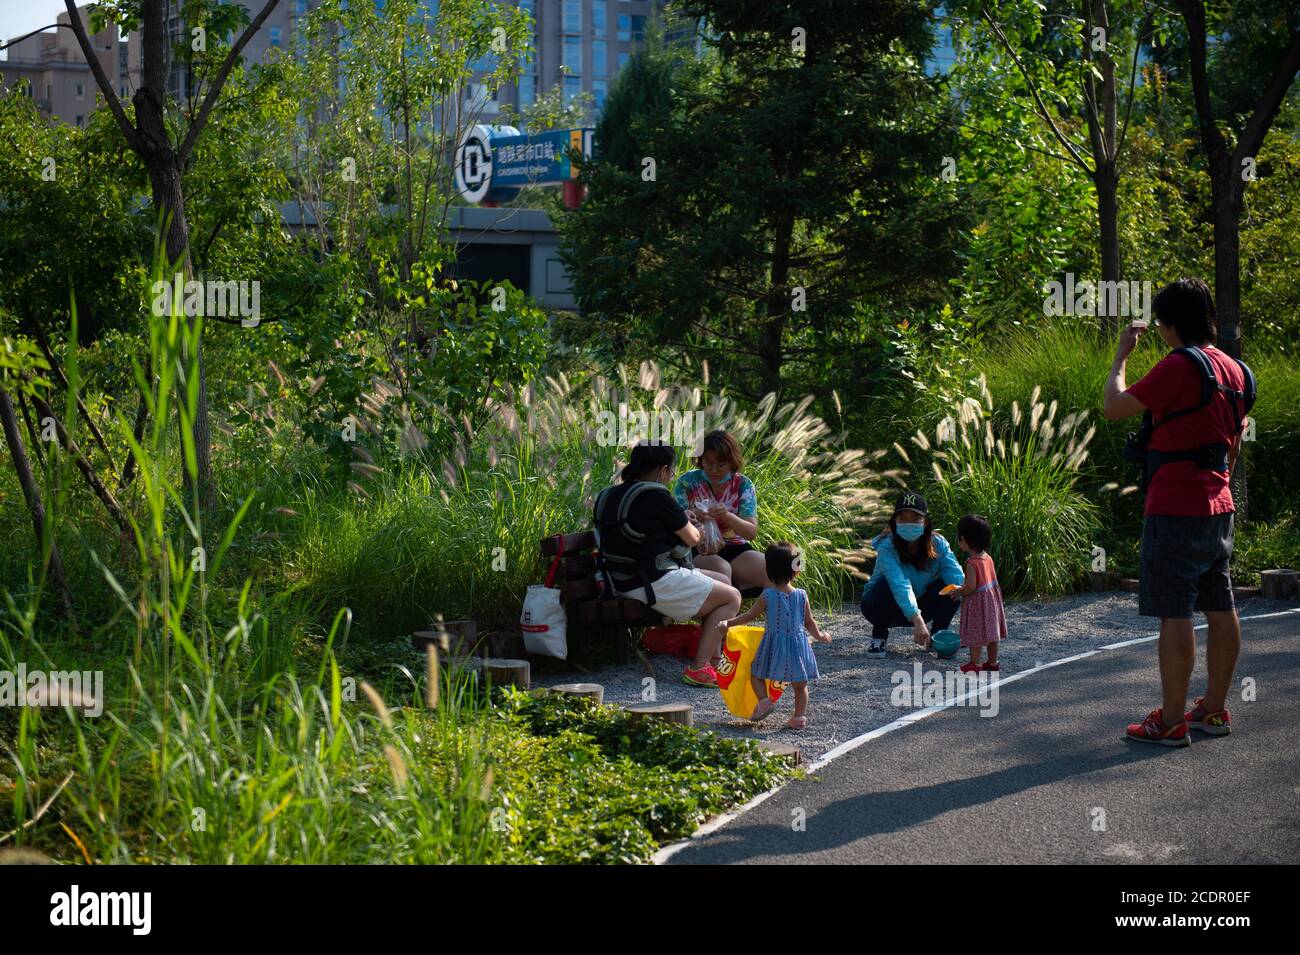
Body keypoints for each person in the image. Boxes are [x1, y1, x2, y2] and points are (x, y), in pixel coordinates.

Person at [1104, 278, 1254, 747]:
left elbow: (1114, 406)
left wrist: (1121, 356)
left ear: (1169, 324)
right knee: (1220, 602)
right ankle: (1213, 709)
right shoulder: (1237, 370)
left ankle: (1169, 721)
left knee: (1175, 611)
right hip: (1219, 504)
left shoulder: (1179, 365)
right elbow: (1232, 444)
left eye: (1163, 323)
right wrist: (1220, 484)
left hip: (1175, 505)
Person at [593, 441, 740, 687]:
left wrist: (681, 518)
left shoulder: (610, 494)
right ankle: (700, 667)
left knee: (723, 581)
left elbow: (644, 526)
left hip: (620, 579)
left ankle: (715, 661)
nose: (671, 478)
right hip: (652, 580)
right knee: (731, 597)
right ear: (662, 470)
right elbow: (693, 538)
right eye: (671, 472)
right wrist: (699, 527)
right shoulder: (657, 495)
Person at [716, 542, 830, 729]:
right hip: (798, 645)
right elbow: (809, 622)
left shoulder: (767, 596)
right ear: (797, 570)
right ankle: (799, 718)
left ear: (767, 569)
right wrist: (820, 636)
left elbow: (748, 616)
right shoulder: (802, 595)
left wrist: (728, 623)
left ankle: (765, 701)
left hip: (773, 644)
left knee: (756, 673)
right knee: (800, 685)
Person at [860, 490, 964, 657]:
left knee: (952, 587)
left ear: (925, 522)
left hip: (921, 604)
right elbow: (899, 583)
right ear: (895, 521)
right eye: (903, 518)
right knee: (885, 583)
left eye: (915, 518)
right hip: (881, 607)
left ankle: (937, 638)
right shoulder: (887, 547)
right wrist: (917, 619)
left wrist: (968, 597)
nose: (909, 523)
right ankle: (878, 638)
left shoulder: (939, 544)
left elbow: (957, 577)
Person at [673, 430, 770, 591]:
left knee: (774, 572)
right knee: (722, 571)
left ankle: (774, 615)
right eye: (708, 463)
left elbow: (751, 532)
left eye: (721, 464)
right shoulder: (687, 482)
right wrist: (696, 515)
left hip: (735, 547)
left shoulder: (743, 485)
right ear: (700, 460)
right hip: (699, 548)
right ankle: (724, 615)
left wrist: (727, 516)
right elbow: (675, 523)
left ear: (732, 462)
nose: (714, 469)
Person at [953, 514, 1007, 673]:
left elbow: (970, 587)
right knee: (992, 633)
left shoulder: (971, 563)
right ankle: (993, 662)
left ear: (964, 539)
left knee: (975, 633)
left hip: (978, 604)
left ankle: (975, 663)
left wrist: (958, 591)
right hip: (991, 601)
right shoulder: (987, 557)